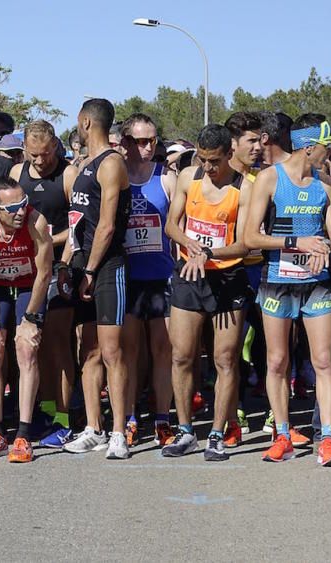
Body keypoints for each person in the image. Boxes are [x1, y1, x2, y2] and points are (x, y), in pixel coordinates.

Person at [243, 114, 331, 466]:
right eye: (325, 150)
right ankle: (283, 435)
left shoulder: (325, 185)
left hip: (315, 284)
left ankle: (328, 440)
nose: (329, 156)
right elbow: (250, 237)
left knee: (323, 360)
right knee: (276, 360)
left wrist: (319, 246)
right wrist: (297, 242)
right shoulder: (270, 179)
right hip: (277, 281)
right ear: (307, 147)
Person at [160, 124, 252, 462]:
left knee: (225, 359)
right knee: (182, 355)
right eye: (202, 159)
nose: (208, 168)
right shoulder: (188, 177)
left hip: (227, 279)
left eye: (214, 161)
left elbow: (243, 243)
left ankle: (217, 433)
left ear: (229, 154)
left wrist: (210, 254)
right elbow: (172, 224)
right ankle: (185, 431)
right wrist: (189, 245)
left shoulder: (244, 189)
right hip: (189, 273)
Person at [57, 98, 132, 459]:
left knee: (111, 351)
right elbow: (76, 224)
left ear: (85, 122)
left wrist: (89, 271)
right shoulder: (81, 166)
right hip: (82, 265)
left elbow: (106, 224)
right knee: (87, 353)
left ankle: (119, 431)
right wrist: (66, 263)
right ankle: (93, 427)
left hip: (108, 268)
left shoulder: (111, 163)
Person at [0, 177, 52, 462]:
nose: (20, 211)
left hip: (29, 284)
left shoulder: (35, 222)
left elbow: (44, 273)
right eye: (12, 207)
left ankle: (23, 434)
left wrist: (29, 319)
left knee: (26, 348)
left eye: (23, 203)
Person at [10, 120, 78, 448]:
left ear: (55, 147)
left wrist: (50, 245)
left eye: (46, 154)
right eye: (33, 155)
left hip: (60, 267)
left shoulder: (67, 174)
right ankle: (46, 410)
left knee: (58, 343)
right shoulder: (16, 174)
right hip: (26, 271)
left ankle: (65, 416)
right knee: (34, 345)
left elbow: (80, 225)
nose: (40, 161)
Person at [118, 113, 177, 447]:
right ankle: (127, 418)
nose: (147, 147)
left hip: (161, 277)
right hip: (126, 278)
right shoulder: (118, 176)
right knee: (127, 353)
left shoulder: (167, 177)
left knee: (162, 351)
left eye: (152, 140)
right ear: (125, 142)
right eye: (140, 141)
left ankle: (162, 419)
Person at [226, 111, 266, 439]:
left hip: (260, 272)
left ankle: (272, 414)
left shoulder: (262, 181)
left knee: (269, 345)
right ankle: (232, 412)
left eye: (260, 140)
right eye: (251, 140)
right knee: (230, 347)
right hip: (229, 272)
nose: (258, 146)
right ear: (233, 143)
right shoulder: (219, 182)